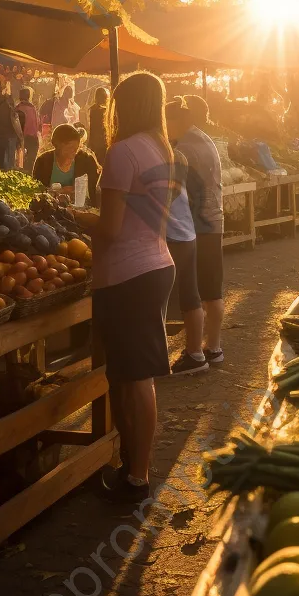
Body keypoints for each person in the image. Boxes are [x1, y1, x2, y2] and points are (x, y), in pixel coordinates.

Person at [88, 71, 176, 499]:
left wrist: (68, 214)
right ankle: (130, 468)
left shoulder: (122, 152)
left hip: (127, 274)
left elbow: (108, 228)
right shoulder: (161, 148)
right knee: (127, 375)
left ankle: (138, 475)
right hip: (155, 265)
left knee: (135, 376)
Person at [176, 94, 226, 366]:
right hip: (213, 220)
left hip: (197, 224)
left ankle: (195, 352)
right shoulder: (204, 138)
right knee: (212, 288)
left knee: (193, 291)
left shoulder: (184, 146)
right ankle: (214, 348)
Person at [163, 99, 208, 375]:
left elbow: (164, 198)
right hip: (185, 231)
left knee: (177, 296)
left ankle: (194, 354)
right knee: (189, 294)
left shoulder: (173, 155)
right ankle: (196, 353)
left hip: (174, 234)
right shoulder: (175, 153)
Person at [32, 123, 102, 204]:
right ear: (56, 144)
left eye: (76, 148)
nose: (73, 152)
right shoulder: (43, 162)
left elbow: (95, 191)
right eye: (69, 148)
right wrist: (58, 192)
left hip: (81, 211)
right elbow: (36, 192)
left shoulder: (86, 161)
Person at [16, 87, 41, 174]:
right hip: (32, 137)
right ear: (29, 96)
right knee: (31, 159)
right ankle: (30, 173)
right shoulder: (33, 108)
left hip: (22, 138)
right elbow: (38, 123)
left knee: (21, 160)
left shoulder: (17, 109)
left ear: (19, 97)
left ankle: (24, 173)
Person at [88, 86, 110, 163]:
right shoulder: (104, 110)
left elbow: (91, 128)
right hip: (103, 141)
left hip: (95, 141)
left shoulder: (92, 109)